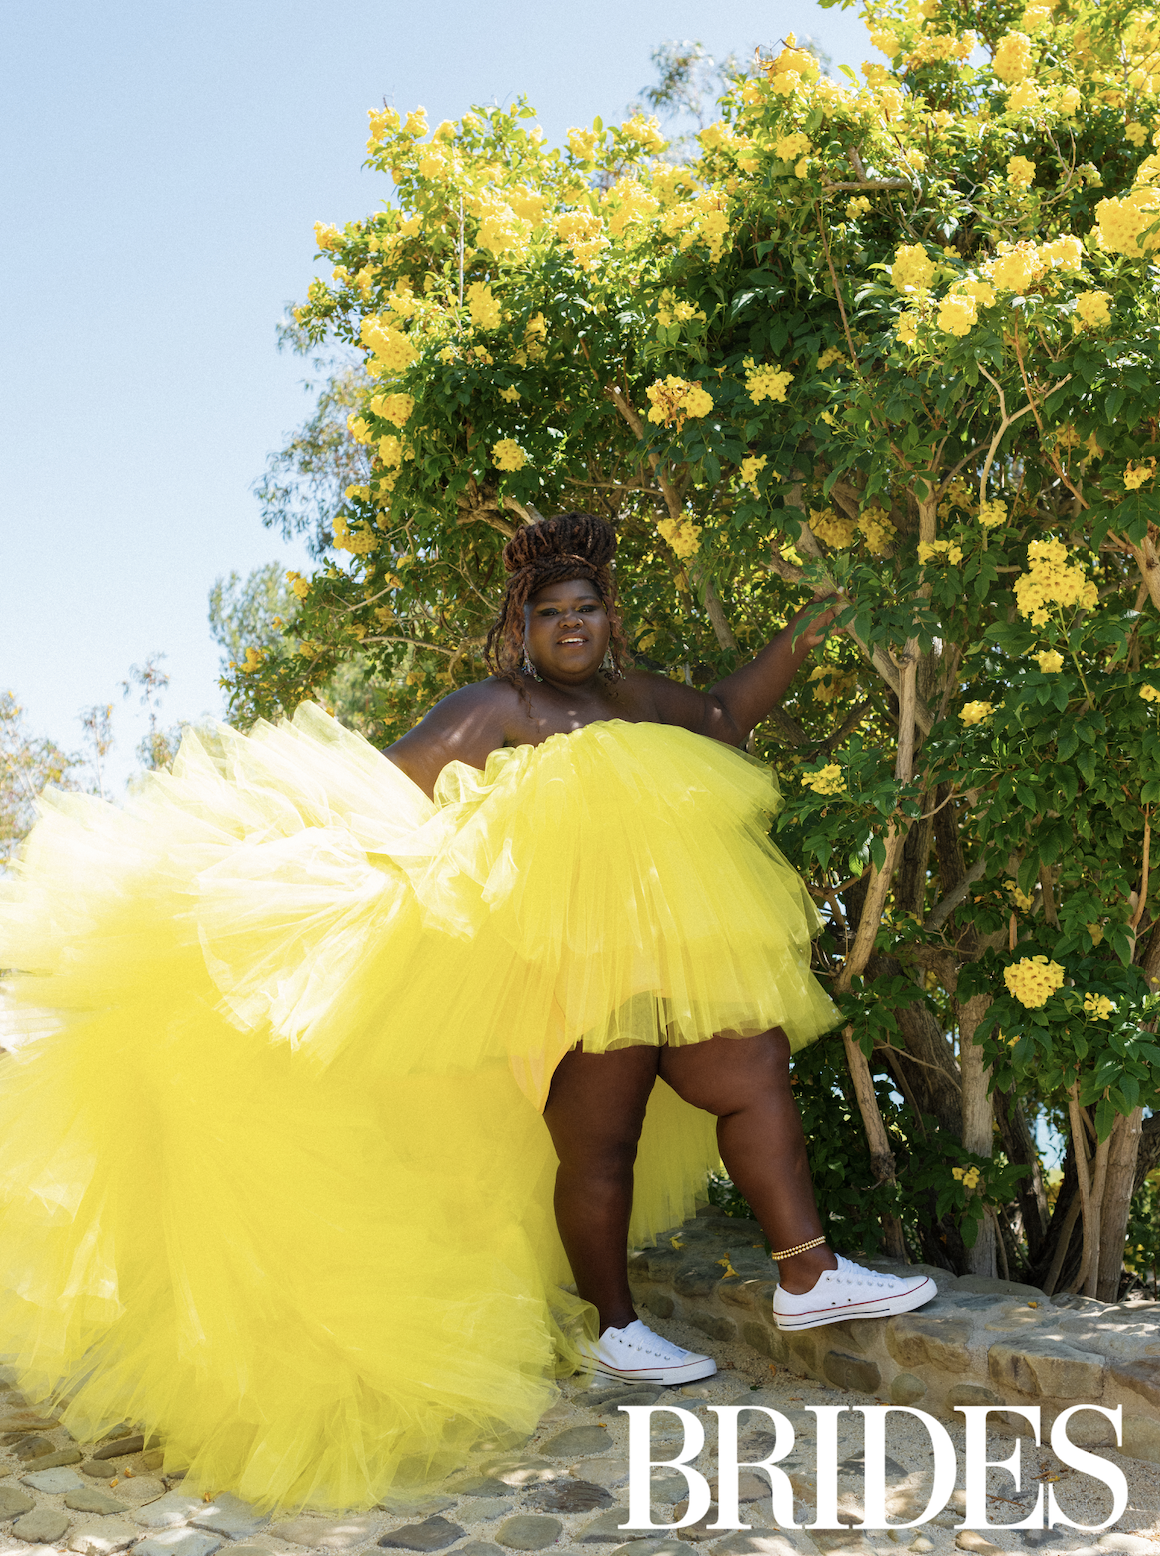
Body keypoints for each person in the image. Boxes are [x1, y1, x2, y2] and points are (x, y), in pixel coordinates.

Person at [0, 511, 933, 1514]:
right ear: (520, 625)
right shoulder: (498, 707)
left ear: (608, 618)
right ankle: (614, 1324)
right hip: (558, 978)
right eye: (550, 612)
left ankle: (807, 1273)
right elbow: (381, 791)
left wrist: (805, 627)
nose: (571, 624)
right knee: (599, 1147)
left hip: (661, 965)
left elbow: (718, 715)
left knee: (746, 1068)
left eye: (586, 608)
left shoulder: (633, 696)